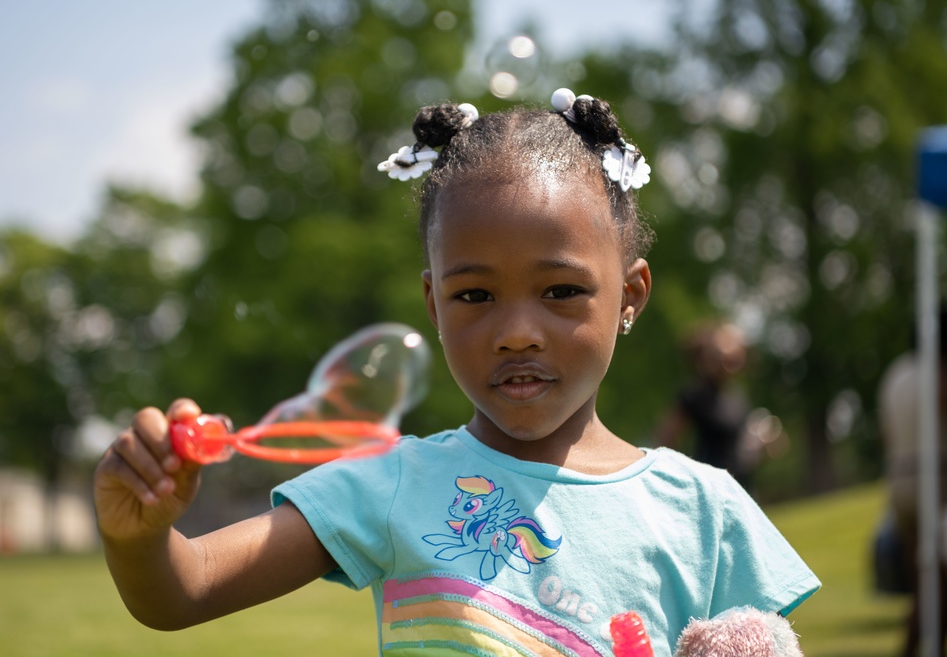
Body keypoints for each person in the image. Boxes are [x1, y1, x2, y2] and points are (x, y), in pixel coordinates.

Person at [93, 89, 820, 655]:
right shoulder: (394, 481)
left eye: (561, 290)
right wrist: (138, 536)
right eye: (474, 294)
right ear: (434, 304)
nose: (515, 332)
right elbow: (182, 592)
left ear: (629, 295)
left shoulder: (705, 510)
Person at [878, 306, 947, 657]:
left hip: (900, 481)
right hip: (936, 479)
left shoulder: (896, 373)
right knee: (941, 590)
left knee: (922, 586)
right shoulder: (939, 373)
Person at [657, 323, 756, 489]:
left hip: (739, 484)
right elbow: (666, 440)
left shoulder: (738, 396)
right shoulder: (694, 395)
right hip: (709, 485)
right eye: (720, 358)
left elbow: (740, 449)